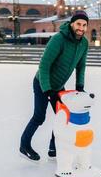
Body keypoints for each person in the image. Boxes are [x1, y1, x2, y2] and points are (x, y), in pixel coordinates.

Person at [20, 10, 89, 162]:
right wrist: (48, 90)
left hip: (58, 86)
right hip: (42, 83)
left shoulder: (84, 43)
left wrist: (79, 85)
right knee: (39, 117)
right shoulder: (59, 39)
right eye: (78, 24)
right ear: (72, 24)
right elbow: (44, 66)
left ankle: (53, 147)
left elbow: (81, 66)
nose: (81, 28)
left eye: (84, 25)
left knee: (63, 116)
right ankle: (24, 145)